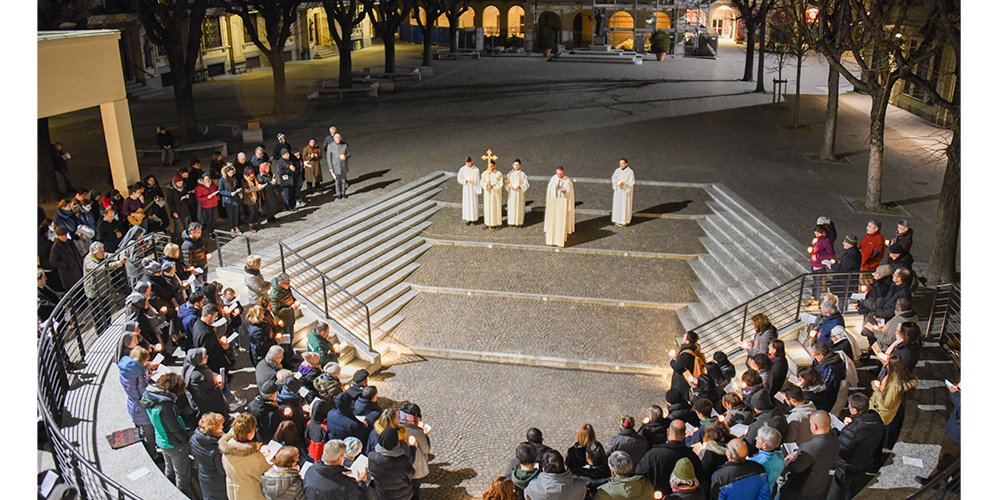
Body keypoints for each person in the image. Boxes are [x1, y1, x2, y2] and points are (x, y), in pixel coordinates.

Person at [140, 372, 193, 497]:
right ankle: (183, 495)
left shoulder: (150, 397)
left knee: (169, 468)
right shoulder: (165, 406)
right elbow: (174, 429)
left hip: (162, 440)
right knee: (182, 474)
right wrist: (186, 440)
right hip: (174, 444)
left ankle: (168, 488)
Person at [827, 394, 884, 500]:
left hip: (847, 467)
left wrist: (835, 432)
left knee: (836, 494)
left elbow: (841, 450)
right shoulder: (876, 420)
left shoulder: (852, 431)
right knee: (852, 490)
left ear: (855, 410)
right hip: (864, 461)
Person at [777, 411, 840, 500]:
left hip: (803, 490)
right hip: (822, 483)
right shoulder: (834, 439)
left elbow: (795, 468)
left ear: (814, 426)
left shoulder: (811, 447)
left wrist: (789, 460)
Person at [870, 356, 918, 466]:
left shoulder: (894, 385)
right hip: (888, 412)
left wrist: (877, 391)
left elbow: (887, 404)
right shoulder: (900, 379)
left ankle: (875, 462)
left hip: (883, 414)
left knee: (878, 439)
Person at [636, 420, 705, 493]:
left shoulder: (653, 454)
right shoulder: (691, 456)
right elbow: (700, 478)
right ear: (684, 435)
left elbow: (640, 473)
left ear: (668, 432)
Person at [916, 381, 959, 486]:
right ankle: (957, 483)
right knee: (957, 462)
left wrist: (955, 393)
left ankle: (934, 483)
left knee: (946, 459)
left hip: (956, 437)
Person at [219, 412, 271, 500]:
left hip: (233, 492)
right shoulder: (253, 457)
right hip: (251, 494)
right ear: (249, 434)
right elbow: (266, 476)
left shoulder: (227, 448)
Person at [118, 345, 157, 458]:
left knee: (143, 430)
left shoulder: (125, 369)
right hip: (141, 409)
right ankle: (153, 454)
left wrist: (147, 376)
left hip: (132, 405)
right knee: (149, 433)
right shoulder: (140, 372)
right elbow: (143, 392)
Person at [83, 241, 126, 333]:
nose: (103, 253)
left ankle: (108, 328)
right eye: (101, 252)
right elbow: (99, 268)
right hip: (94, 292)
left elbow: (108, 255)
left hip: (103, 289)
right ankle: (101, 332)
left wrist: (119, 257)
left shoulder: (100, 255)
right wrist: (115, 264)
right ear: (95, 253)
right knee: (98, 314)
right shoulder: (88, 260)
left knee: (106, 311)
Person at [303, 439, 368, 500]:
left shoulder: (310, 471)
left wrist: (339, 474)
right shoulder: (346, 484)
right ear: (340, 459)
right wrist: (361, 482)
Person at [182, 347, 230, 424]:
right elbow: (203, 394)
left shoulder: (199, 366)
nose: (207, 356)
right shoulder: (194, 376)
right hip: (208, 404)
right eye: (204, 356)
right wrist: (218, 387)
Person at [369, 427, 416, 500]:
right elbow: (411, 473)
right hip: (402, 494)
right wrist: (413, 448)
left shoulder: (372, 457)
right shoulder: (402, 461)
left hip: (384, 495)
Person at [190, 412, 228, 500]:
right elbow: (222, 471)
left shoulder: (194, 439)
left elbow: (195, 456)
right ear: (213, 430)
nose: (222, 427)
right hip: (218, 484)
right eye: (220, 426)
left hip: (204, 478)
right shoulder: (216, 449)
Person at [399, 403, 432, 500]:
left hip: (399, 466)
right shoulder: (417, 432)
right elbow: (426, 449)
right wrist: (425, 435)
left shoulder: (396, 425)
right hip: (414, 467)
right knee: (414, 490)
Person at [742, 391, 788, 456]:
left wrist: (744, 435)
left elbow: (747, 445)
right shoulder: (778, 413)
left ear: (756, 408)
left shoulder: (757, 425)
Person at [192, 304, 233, 373]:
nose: (214, 319)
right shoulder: (207, 334)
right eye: (215, 317)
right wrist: (223, 348)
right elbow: (209, 354)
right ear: (209, 316)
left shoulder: (197, 324)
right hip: (214, 365)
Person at [270, 273, 300, 360]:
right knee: (285, 342)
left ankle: (290, 356)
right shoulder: (275, 295)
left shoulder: (286, 289)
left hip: (290, 319)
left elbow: (290, 297)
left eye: (289, 282)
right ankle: (286, 359)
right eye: (287, 283)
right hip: (283, 321)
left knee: (290, 338)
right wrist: (290, 308)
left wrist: (295, 301)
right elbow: (275, 311)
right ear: (280, 283)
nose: (289, 284)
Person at [544, 167, 575, 247]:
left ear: (563, 172)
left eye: (561, 174)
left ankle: (562, 235)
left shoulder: (567, 180)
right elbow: (550, 189)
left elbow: (568, 192)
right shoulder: (553, 178)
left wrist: (561, 188)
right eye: (558, 174)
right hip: (554, 204)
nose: (559, 175)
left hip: (562, 204)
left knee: (562, 220)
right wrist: (554, 188)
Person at [811, 342, 845, 413]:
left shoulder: (830, 368)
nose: (814, 358)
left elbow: (826, 385)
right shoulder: (827, 361)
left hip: (827, 397)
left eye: (815, 355)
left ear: (821, 355)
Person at [748, 426, 783, 494]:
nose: (756, 438)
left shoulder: (757, 462)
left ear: (765, 445)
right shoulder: (780, 455)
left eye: (759, 437)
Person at [670, 331, 705, 399]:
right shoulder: (695, 347)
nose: (683, 336)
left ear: (687, 341)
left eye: (685, 336)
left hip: (683, 378)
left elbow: (676, 366)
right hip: (688, 374)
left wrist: (672, 360)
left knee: (679, 394)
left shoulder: (685, 355)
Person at [807, 225, 835, 304]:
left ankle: (816, 300)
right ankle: (812, 298)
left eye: (818, 234)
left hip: (819, 265)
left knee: (818, 283)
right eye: (815, 234)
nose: (816, 236)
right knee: (815, 282)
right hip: (814, 264)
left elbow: (831, 254)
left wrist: (818, 257)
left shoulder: (827, 241)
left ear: (823, 233)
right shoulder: (818, 240)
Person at [218, 164, 243, 233]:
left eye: (232, 172)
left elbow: (236, 186)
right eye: (230, 173)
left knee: (236, 214)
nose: (232, 174)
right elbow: (221, 190)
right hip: (228, 200)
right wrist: (229, 193)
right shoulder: (222, 180)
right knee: (230, 215)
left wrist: (238, 190)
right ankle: (231, 228)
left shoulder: (234, 178)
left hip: (235, 199)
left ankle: (236, 226)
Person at [480, 160, 504, 228]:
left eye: (492, 166)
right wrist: (486, 185)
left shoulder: (498, 173)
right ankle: (488, 223)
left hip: (495, 194)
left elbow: (500, 184)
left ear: (494, 166)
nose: (490, 167)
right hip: (488, 193)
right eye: (489, 166)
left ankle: (496, 223)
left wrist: (493, 186)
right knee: (488, 208)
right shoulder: (485, 173)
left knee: (495, 208)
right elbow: (481, 182)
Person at [611, 158, 635, 226]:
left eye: (622, 163)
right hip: (618, 191)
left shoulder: (630, 172)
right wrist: (616, 181)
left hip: (625, 193)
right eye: (620, 163)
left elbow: (631, 183)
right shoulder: (617, 171)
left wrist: (624, 184)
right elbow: (614, 177)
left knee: (624, 206)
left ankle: (624, 220)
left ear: (626, 164)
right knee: (618, 205)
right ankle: (617, 219)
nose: (621, 165)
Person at [506, 159, 529, 227]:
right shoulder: (510, 174)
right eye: (514, 165)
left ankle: (519, 222)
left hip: (519, 194)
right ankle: (511, 222)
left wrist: (520, 187)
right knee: (511, 207)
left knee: (519, 207)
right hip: (512, 193)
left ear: (520, 165)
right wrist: (510, 186)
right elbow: (506, 182)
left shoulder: (522, 174)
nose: (516, 166)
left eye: (517, 165)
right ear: (512, 165)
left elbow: (526, 184)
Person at [327, 133, 351, 200]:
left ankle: (343, 193)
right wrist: (330, 167)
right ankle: (338, 193)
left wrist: (345, 157)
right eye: (336, 137)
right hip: (335, 166)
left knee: (343, 180)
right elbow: (329, 157)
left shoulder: (344, 145)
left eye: (339, 137)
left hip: (343, 165)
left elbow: (348, 153)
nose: (337, 139)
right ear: (334, 138)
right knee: (337, 181)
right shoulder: (330, 146)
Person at [457, 157, 481, 225]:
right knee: (467, 203)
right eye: (467, 163)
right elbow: (459, 179)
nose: (468, 165)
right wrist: (465, 181)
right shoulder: (463, 169)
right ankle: (468, 219)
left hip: (473, 188)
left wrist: (478, 191)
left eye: (469, 163)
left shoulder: (476, 169)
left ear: (471, 161)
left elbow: (478, 180)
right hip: (466, 189)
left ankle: (474, 219)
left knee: (473, 203)